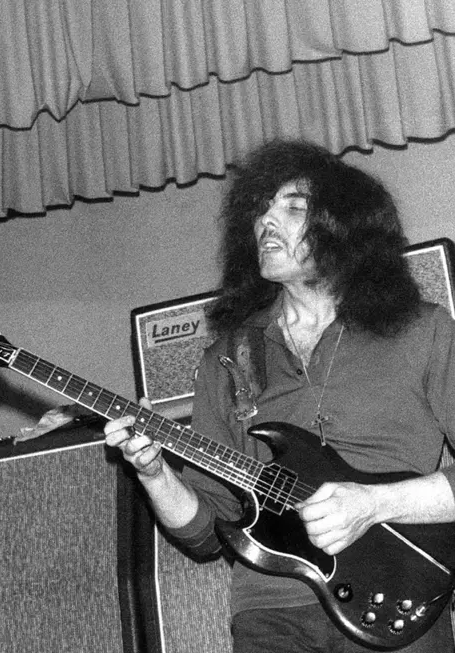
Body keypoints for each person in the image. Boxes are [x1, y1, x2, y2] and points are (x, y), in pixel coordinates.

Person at [105, 140, 455, 652]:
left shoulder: (421, 331)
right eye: (260, 209)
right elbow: (205, 531)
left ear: (343, 227)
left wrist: (376, 503)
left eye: (291, 207)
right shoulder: (227, 359)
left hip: (400, 592)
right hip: (270, 614)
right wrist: (153, 474)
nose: (266, 222)